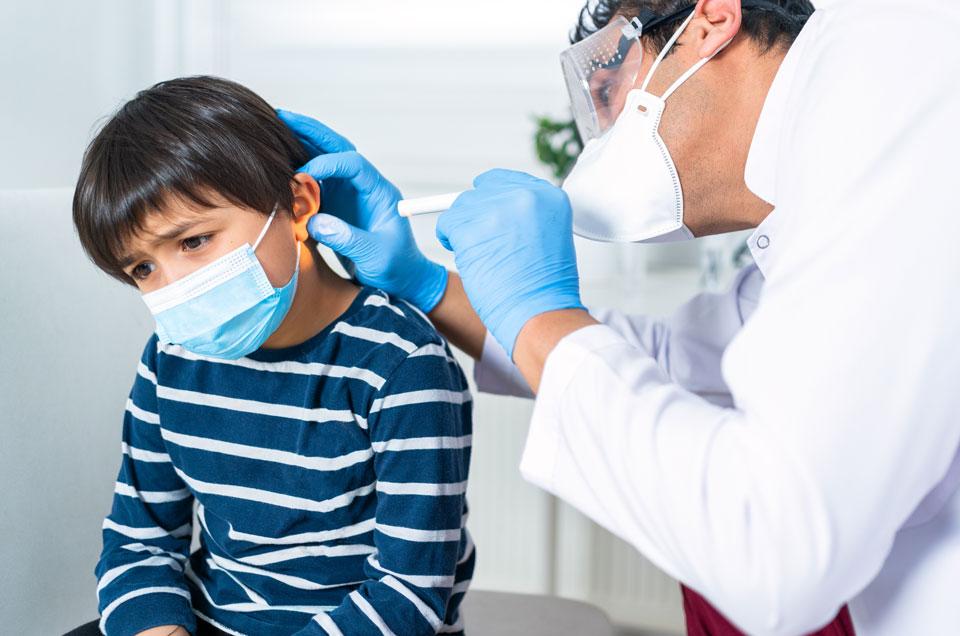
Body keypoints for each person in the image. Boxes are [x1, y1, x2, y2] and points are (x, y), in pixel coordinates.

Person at [279, 0, 960, 633]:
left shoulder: (891, 105)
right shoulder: (828, 160)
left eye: (608, 88)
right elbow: (684, 363)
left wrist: (541, 314)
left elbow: (776, 551)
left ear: (710, 21)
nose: (600, 133)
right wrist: (427, 284)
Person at [68, 76, 474, 636]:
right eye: (142, 268)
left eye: (194, 241)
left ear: (299, 205)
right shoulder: (170, 358)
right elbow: (139, 539)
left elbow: (408, 596)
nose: (175, 284)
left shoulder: (401, 364)